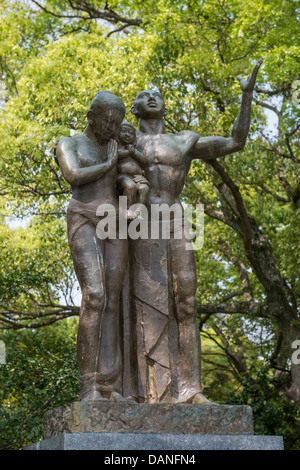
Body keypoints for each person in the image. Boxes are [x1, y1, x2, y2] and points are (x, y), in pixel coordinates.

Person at [123, 59, 263, 404]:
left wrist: (246, 98)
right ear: (135, 108)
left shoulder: (184, 141)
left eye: (157, 94)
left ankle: (191, 389)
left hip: (175, 218)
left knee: (186, 302)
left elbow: (235, 141)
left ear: (166, 105)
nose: (151, 97)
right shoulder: (124, 141)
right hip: (140, 222)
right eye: (144, 95)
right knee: (147, 303)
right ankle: (145, 390)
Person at [55, 91, 128, 402]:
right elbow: (73, 175)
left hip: (115, 222)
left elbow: (130, 177)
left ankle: (109, 385)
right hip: (83, 217)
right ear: (92, 116)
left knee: (113, 300)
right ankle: (89, 386)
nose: (113, 129)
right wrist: (110, 163)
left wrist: (128, 182)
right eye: (109, 123)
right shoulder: (68, 143)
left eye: (118, 124)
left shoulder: (115, 145)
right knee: (95, 295)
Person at [116, 121, 150, 219]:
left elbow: (144, 160)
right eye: (124, 131)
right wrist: (128, 152)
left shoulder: (134, 149)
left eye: (130, 133)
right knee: (130, 186)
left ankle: (138, 211)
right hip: (123, 177)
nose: (127, 134)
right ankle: (127, 210)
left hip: (137, 177)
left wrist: (133, 152)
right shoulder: (118, 147)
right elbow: (116, 155)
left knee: (144, 189)